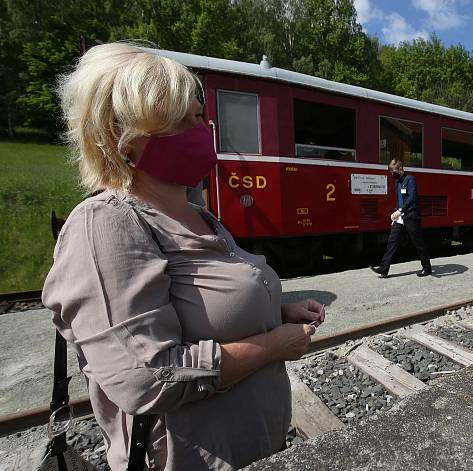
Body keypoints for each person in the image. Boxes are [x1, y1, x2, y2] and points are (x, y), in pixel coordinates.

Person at [42, 42, 325, 470]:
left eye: (200, 117)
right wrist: (272, 346)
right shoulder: (105, 224)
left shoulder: (199, 215)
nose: (204, 131)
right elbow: (149, 376)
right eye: (187, 121)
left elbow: (203, 308)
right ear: (124, 138)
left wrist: (277, 312)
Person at [371, 159, 432, 278]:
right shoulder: (397, 182)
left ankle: (427, 267)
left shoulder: (410, 180)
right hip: (400, 216)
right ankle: (384, 269)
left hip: (411, 215)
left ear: (401, 169)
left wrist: (400, 210)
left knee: (418, 242)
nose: (392, 174)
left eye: (393, 171)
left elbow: (412, 197)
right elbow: (399, 200)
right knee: (392, 242)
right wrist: (396, 214)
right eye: (391, 172)